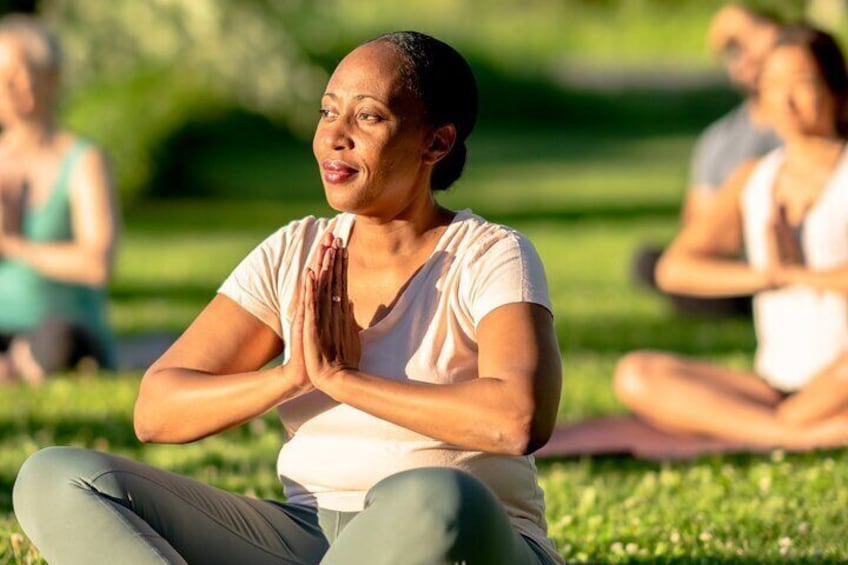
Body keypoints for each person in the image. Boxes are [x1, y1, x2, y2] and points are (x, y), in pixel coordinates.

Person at [13, 31, 564, 564]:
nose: (334, 136)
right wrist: (293, 376)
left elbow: (516, 420)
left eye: (367, 116)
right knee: (57, 476)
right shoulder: (294, 250)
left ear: (435, 143)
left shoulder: (490, 254)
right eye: (328, 112)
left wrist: (345, 382)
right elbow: (156, 411)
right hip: (309, 535)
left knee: (439, 496)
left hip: (457, 535)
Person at [615, 24, 848, 450]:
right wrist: (767, 276)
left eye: (802, 83)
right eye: (773, 84)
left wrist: (799, 275)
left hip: (841, 378)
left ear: (836, 92)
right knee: (637, 373)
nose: (786, 99)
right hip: (775, 385)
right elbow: (675, 270)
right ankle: (796, 432)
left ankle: (784, 428)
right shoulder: (754, 177)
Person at [632, 2, 782, 317]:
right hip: (737, 266)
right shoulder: (720, 139)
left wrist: (738, 18)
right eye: (734, 52)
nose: (747, 60)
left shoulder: (809, 124)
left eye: (752, 45)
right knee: (652, 262)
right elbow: (695, 232)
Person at [0, 14, 119, 383]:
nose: (9, 86)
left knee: (60, 339)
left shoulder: (82, 160)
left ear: (50, 79)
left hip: (61, 331)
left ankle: (18, 366)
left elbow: (97, 263)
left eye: (20, 74)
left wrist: (15, 245)